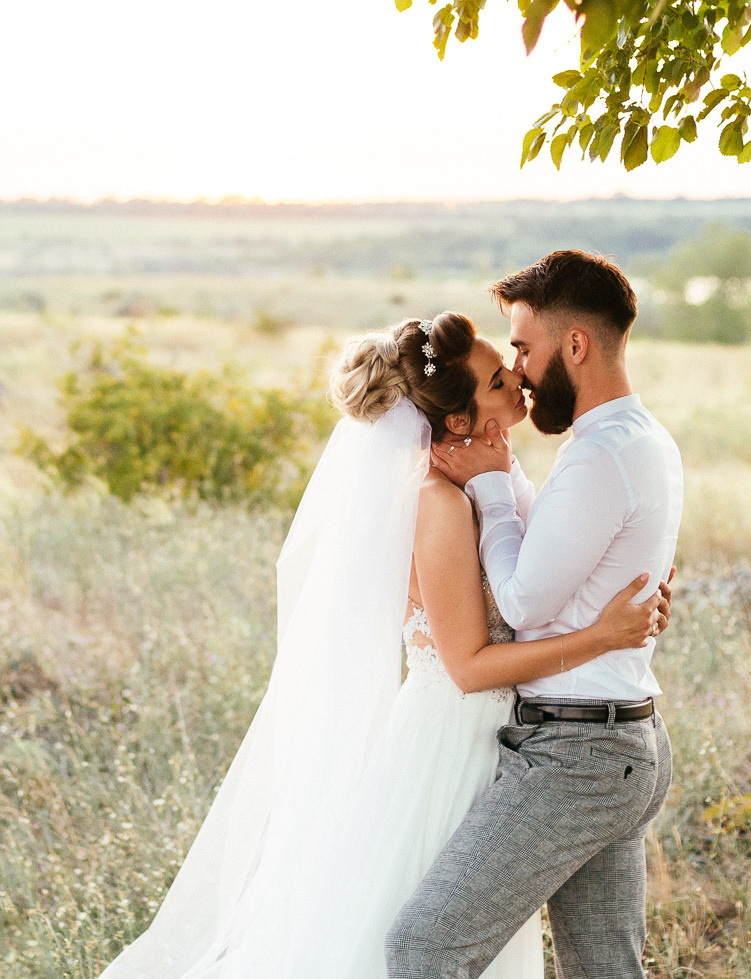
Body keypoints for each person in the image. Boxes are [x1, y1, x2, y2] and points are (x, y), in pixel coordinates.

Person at [96, 308, 672, 979]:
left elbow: (545, 577)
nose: (517, 379)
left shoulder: (487, 481)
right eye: (496, 380)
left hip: (505, 742)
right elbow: (469, 666)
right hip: (452, 745)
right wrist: (600, 637)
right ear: (456, 420)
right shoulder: (440, 504)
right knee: (412, 943)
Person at [386, 251, 684, 979]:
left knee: (423, 945)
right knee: (604, 969)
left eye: (522, 348)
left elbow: (520, 601)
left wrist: (490, 485)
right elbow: (569, 559)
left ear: (574, 345)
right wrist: (500, 473)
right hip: (617, 740)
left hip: (579, 756)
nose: (518, 370)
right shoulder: (637, 437)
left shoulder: (598, 456)